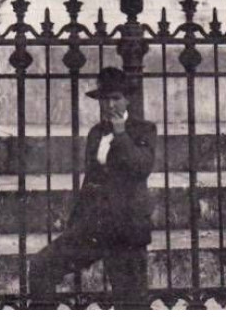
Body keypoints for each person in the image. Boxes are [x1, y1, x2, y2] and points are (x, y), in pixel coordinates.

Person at [29, 66, 157, 309]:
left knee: (131, 302)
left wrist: (121, 135)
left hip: (126, 230)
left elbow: (141, 167)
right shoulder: (96, 133)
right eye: (104, 99)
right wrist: (75, 225)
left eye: (116, 98)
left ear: (127, 99)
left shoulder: (144, 130)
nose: (110, 105)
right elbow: (90, 182)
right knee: (41, 265)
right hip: (94, 228)